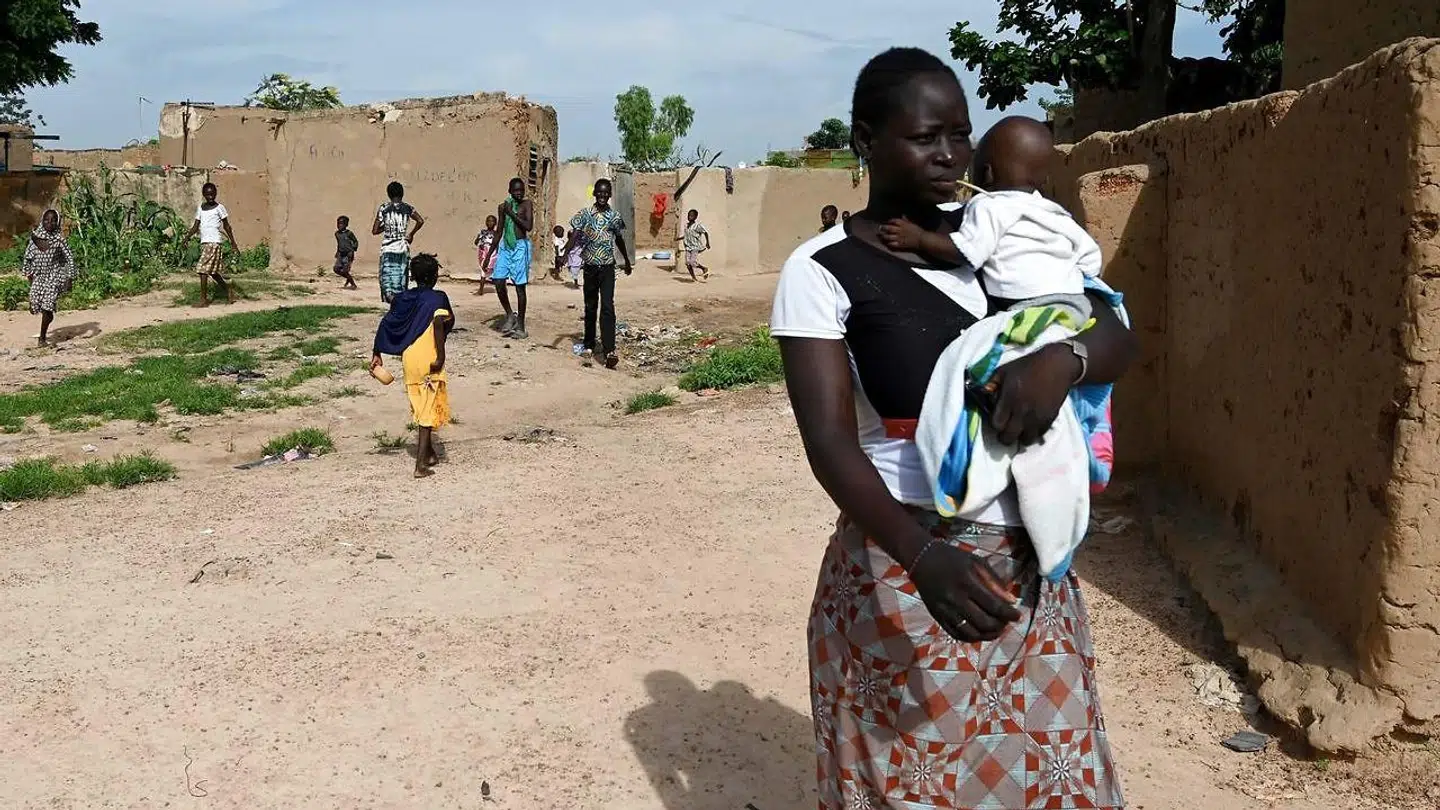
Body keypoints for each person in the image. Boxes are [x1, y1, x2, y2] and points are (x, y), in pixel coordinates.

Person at [769, 47, 1136, 810]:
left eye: (961, 136)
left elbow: (1116, 334)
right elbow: (831, 443)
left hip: (1032, 567)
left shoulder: (1007, 233)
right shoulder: (824, 270)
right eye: (926, 136)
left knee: (1054, 777)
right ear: (866, 140)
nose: (949, 156)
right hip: (904, 570)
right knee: (913, 781)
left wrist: (1063, 360)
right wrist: (923, 557)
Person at [878, 115, 1101, 303]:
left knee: (965, 351)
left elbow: (968, 252)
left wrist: (919, 238)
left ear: (987, 174)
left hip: (1027, 304)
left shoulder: (989, 205)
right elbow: (1091, 260)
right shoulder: (1052, 211)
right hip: (1075, 299)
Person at [370, 253, 454, 479]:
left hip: (409, 358)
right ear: (435, 276)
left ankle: (430, 453)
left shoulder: (403, 299)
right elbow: (439, 324)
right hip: (429, 356)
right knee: (427, 409)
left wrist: (377, 352)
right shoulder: (438, 298)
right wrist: (440, 357)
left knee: (420, 403)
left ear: (413, 276)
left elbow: (387, 322)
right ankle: (421, 465)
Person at [561, 178, 632, 369]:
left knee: (608, 307)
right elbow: (575, 236)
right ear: (594, 194)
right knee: (591, 306)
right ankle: (589, 343)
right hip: (590, 267)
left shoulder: (614, 216)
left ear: (610, 194)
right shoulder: (585, 215)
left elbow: (619, 239)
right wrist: (564, 255)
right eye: (599, 192)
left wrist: (625, 260)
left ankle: (609, 350)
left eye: (606, 192)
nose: (602, 195)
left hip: (608, 268)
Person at [479, 177, 534, 338]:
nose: (519, 193)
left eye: (521, 190)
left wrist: (512, 213)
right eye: (515, 190)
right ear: (509, 191)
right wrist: (489, 255)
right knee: (498, 280)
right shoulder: (503, 207)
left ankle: (521, 326)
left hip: (520, 246)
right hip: (505, 247)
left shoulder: (526, 204)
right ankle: (510, 314)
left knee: (519, 286)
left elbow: (528, 226)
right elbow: (499, 231)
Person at [22, 208, 76, 346]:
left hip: (54, 275)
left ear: (57, 223)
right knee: (35, 305)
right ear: (42, 221)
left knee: (47, 305)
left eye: (53, 220)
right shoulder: (35, 238)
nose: (49, 223)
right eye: (46, 220)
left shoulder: (59, 240)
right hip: (38, 276)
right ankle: (48, 315)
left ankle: (42, 338)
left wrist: (69, 278)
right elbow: (28, 257)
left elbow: (69, 258)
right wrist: (28, 273)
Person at [181, 182, 238, 307]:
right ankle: (228, 291)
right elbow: (196, 226)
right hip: (205, 243)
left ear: (215, 194)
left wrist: (233, 243)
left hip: (214, 243)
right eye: (208, 194)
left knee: (202, 270)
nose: (210, 196)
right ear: (204, 194)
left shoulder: (220, 208)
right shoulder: (201, 208)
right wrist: (186, 238)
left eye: (212, 194)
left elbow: (227, 226)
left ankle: (203, 300)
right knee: (212, 272)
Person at [372, 181, 424, 304]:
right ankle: (401, 307)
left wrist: (386, 227)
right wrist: (411, 234)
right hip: (402, 248)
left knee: (387, 282)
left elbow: (374, 231)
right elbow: (420, 221)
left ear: (389, 194)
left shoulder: (384, 208)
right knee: (401, 280)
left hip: (388, 249)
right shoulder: (408, 208)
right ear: (402, 194)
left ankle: (392, 307)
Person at [678, 208, 711, 281]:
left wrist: (707, 242)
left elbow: (705, 233)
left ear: (695, 217)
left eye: (692, 216)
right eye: (689, 215)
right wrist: (679, 238)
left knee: (692, 262)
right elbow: (687, 235)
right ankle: (693, 277)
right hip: (687, 247)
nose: (689, 217)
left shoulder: (697, 226)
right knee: (687, 263)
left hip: (695, 247)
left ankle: (704, 268)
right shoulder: (686, 226)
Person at [473, 214, 498, 296]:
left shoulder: (496, 234)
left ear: (495, 223)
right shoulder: (483, 232)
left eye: (492, 221)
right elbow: (476, 243)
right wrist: (478, 238)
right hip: (483, 253)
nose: (490, 223)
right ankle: (481, 290)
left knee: (492, 270)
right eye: (488, 221)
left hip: (493, 253)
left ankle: (499, 288)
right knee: (483, 270)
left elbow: (497, 245)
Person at [333, 215, 359, 290]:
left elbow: (355, 241)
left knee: (345, 270)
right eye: (338, 223)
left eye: (342, 223)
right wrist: (337, 252)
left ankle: (353, 284)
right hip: (341, 254)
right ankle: (348, 277)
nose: (339, 225)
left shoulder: (349, 233)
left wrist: (353, 250)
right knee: (336, 269)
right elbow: (339, 243)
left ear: (346, 225)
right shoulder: (337, 234)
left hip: (348, 254)